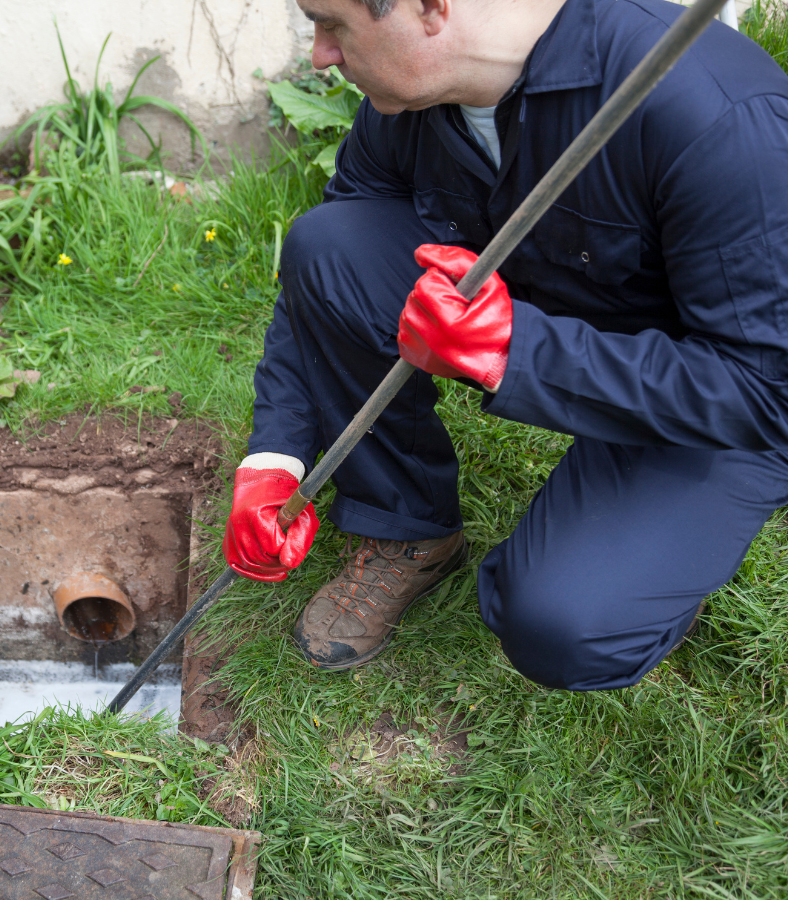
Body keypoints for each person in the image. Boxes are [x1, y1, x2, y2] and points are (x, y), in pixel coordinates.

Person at [223, 0, 788, 690]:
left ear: (431, 8)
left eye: (332, 24)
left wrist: (512, 352)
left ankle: (650, 566)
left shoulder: (716, 116)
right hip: (559, 311)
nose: (319, 55)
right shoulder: (417, 101)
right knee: (329, 244)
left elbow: (766, 391)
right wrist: (275, 456)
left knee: (565, 625)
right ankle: (408, 528)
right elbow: (322, 274)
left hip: (717, 394)